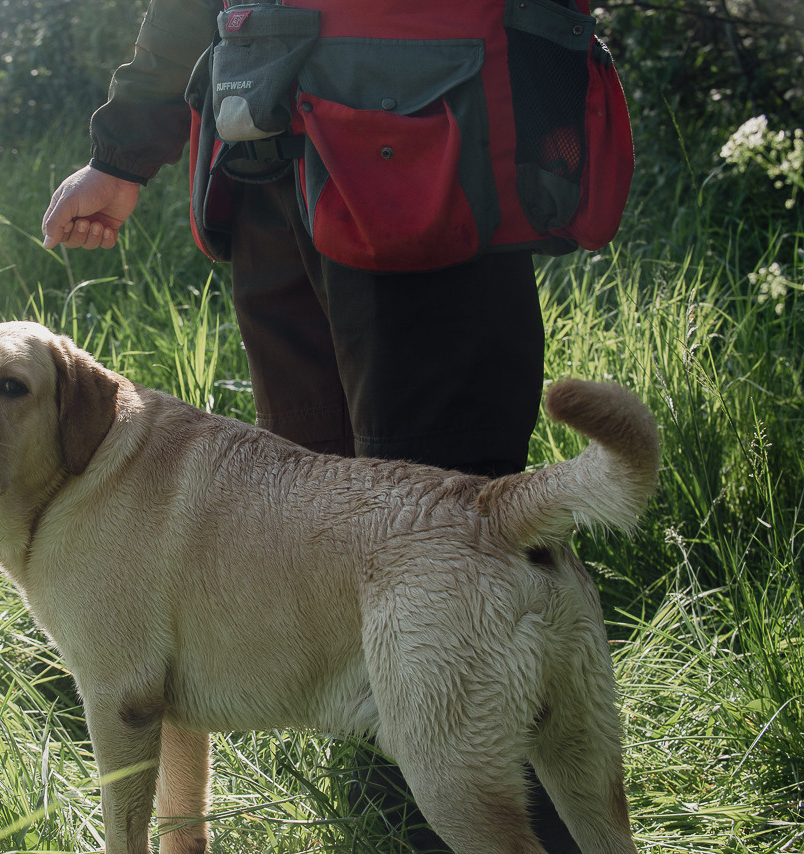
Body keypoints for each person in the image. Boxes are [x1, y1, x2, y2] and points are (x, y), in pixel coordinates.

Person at [40, 1, 594, 850]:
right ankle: (394, 820)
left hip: (426, 138)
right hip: (273, 151)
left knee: (458, 537)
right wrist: (124, 150)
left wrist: (126, 148)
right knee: (321, 529)